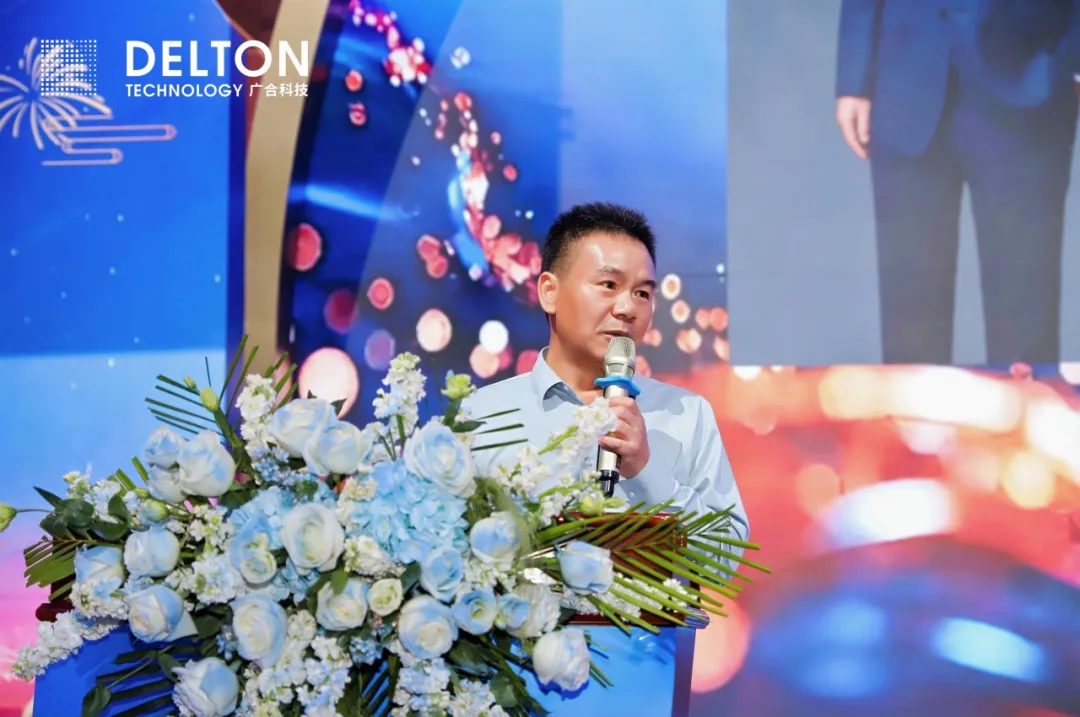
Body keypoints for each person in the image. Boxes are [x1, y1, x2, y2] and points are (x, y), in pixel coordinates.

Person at [464, 202, 750, 570]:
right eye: (609, 285)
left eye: (642, 293)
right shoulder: (480, 415)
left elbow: (726, 558)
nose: (627, 308)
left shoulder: (686, 414)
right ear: (549, 291)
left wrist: (647, 471)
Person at [836, 0, 1079, 364]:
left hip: (1030, 71)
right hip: (903, 75)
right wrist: (854, 74)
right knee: (910, 329)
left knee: (1024, 324)